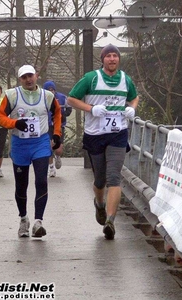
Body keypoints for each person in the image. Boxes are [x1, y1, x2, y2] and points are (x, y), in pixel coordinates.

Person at [67, 44, 139, 240]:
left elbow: (134, 97)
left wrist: (132, 108)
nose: (112, 59)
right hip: (95, 134)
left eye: (115, 56)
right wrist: (90, 109)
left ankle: (110, 221)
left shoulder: (126, 79)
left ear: (119, 59)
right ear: (103, 59)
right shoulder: (91, 78)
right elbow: (71, 99)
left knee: (114, 176)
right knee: (100, 179)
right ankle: (99, 204)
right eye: (108, 56)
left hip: (118, 133)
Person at [0, 65, 62, 238]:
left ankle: (38, 222)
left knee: (41, 181)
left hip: (40, 143)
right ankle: (23, 218)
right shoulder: (11, 95)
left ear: (36, 76)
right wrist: (14, 123)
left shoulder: (47, 96)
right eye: (24, 77)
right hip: (20, 145)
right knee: (21, 185)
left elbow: (57, 113)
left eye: (30, 76)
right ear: (20, 79)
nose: (28, 79)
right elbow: (0, 117)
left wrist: (56, 134)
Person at [43, 80, 72, 177]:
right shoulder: (42, 99)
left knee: (58, 149)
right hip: (47, 126)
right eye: (49, 90)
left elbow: (69, 108)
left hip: (59, 125)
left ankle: (58, 156)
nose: (51, 91)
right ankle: (51, 168)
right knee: (48, 147)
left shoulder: (63, 97)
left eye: (52, 89)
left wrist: (63, 114)